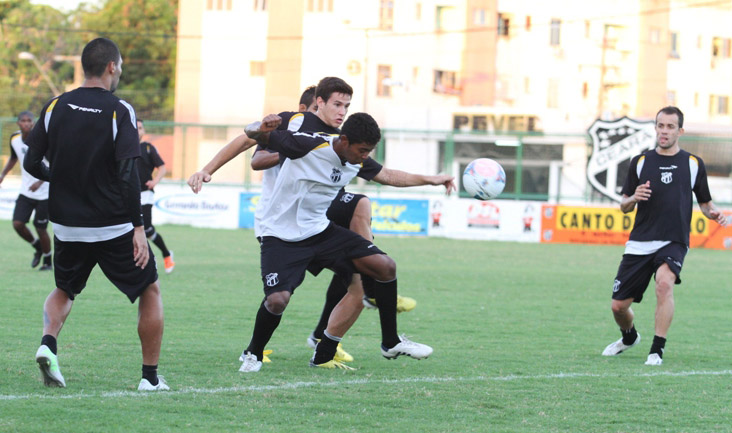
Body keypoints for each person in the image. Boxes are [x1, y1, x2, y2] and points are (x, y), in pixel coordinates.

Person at [24, 37, 168, 390]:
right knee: (150, 290)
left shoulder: (55, 106)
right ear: (111, 67)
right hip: (113, 225)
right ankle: (149, 378)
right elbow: (126, 174)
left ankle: (48, 345)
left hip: (67, 226)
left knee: (64, 288)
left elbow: (31, 161)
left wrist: (58, 177)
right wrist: (138, 227)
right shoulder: (121, 110)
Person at [601, 106, 728, 366]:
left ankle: (656, 350)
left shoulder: (693, 164)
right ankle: (629, 337)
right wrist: (634, 197)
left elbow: (705, 204)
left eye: (670, 127)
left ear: (680, 131)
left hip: (674, 239)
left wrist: (713, 213)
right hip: (640, 242)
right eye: (660, 125)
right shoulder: (641, 162)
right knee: (618, 307)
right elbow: (624, 205)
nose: (664, 131)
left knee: (664, 283)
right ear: (655, 127)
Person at [0, 111, 52, 271]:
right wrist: (2, 175)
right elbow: (14, 157)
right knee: (17, 224)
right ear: (18, 123)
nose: (27, 123)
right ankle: (36, 247)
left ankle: (47, 262)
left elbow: (54, 164)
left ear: (34, 122)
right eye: (23, 120)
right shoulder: (14, 138)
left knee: (40, 227)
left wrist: (40, 181)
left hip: (45, 193)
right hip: (26, 191)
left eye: (30, 120)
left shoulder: (43, 140)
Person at [137, 119, 175, 274]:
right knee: (130, 230)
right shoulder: (122, 147)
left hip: (145, 193)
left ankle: (166, 254)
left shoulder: (147, 148)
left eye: (140, 128)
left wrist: (155, 181)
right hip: (127, 195)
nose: (137, 130)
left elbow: (162, 167)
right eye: (135, 127)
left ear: (144, 131)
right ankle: (141, 261)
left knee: (145, 228)